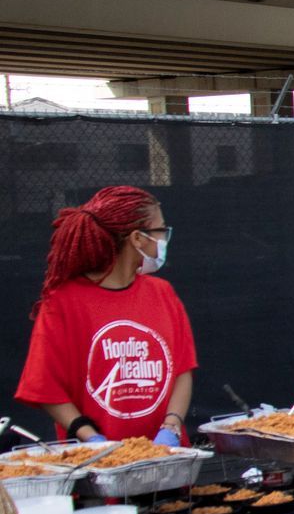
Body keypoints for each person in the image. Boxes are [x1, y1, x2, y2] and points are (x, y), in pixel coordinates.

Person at [17, 186, 195, 444]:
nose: (165, 239)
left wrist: (172, 426)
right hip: (97, 471)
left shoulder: (162, 293)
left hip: (168, 464)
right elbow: (44, 386)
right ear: (137, 238)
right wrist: (89, 436)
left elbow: (182, 370)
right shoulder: (63, 302)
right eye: (160, 230)